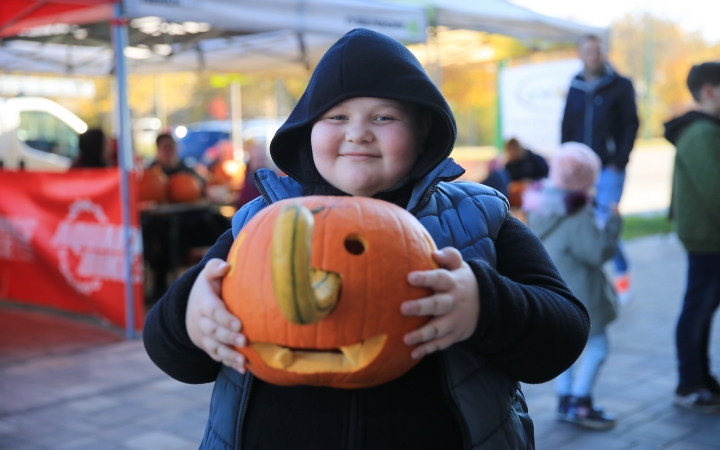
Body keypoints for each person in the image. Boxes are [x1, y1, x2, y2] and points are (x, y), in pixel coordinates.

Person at [143, 29, 590, 449]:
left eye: (384, 116)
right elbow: (175, 356)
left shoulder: (479, 219)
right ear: (306, 133)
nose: (358, 131)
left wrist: (484, 306)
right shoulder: (257, 226)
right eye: (336, 115)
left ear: (422, 134)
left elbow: (564, 334)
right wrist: (191, 313)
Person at [523, 142, 621, 430]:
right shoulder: (577, 211)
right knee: (598, 346)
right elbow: (597, 252)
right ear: (587, 179)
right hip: (582, 295)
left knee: (564, 347)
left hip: (555, 291)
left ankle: (565, 399)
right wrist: (613, 223)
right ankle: (580, 402)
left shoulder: (540, 204)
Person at [561, 34, 639, 304]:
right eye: (588, 51)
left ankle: (621, 274)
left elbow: (631, 124)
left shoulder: (621, 85)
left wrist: (619, 160)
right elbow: (566, 123)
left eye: (597, 51)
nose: (593, 56)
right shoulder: (575, 84)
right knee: (581, 222)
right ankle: (590, 282)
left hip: (608, 168)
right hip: (578, 170)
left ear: (603, 53)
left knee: (605, 222)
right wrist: (565, 159)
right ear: (580, 54)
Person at [663, 62, 720, 414]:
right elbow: (715, 191)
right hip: (708, 239)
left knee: (702, 308)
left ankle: (700, 376)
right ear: (710, 91)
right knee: (697, 310)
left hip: (709, 237)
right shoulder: (701, 133)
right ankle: (689, 383)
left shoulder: (707, 129)